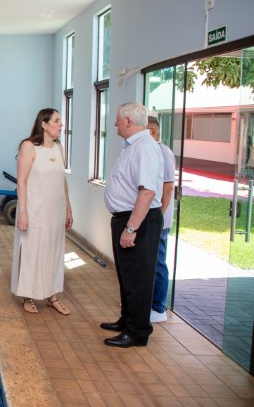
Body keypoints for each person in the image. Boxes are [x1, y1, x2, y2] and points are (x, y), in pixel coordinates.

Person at [101, 103, 163, 348]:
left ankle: (137, 332)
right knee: (127, 275)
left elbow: (147, 192)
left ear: (128, 120)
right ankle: (127, 321)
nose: (115, 124)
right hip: (127, 218)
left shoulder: (145, 147)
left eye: (117, 119)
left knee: (138, 278)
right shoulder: (132, 146)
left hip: (138, 220)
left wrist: (131, 228)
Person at [11, 108, 73, 315]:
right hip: (35, 209)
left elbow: (62, 181)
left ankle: (52, 295)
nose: (60, 125)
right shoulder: (29, 146)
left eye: (60, 121)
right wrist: (23, 212)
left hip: (56, 210)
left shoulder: (59, 148)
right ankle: (28, 295)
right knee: (32, 251)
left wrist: (68, 209)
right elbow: (22, 181)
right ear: (44, 124)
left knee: (54, 252)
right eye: (56, 121)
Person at [148, 116, 175, 323]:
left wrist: (159, 216)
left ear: (154, 132)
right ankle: (147, 302)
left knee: (158, 262)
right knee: (148, 262)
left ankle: (158, 308)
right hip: (150, 217)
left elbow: (167, 188)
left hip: (159, 220)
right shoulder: (150, 151)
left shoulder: (164, 152)